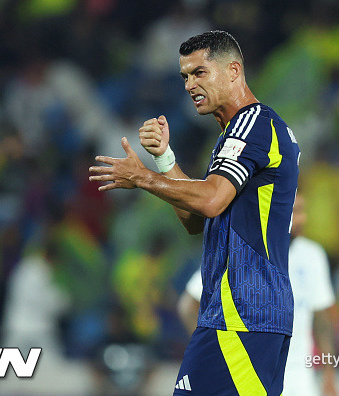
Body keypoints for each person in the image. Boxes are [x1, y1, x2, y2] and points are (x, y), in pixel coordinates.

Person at [90, 30, 300, 395]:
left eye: (200, 72)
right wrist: (164, 159)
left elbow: (210, 200)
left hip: (244, 316)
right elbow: (196, 221)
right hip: (235, 316)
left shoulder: (254, 125)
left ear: (233, 71)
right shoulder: (234, 134)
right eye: (185, 76)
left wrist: (142, 177)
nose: (189, 85)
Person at [178, 194, 339, 396]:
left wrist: (329, 376)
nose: (302, 219)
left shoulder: (313, 255)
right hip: (248, 376)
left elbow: (322, 320)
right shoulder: (240, 250)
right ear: (276, 213)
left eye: (303, 211)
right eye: (295, 211)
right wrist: (215, 354)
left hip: (298, 377)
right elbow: (188, 305)